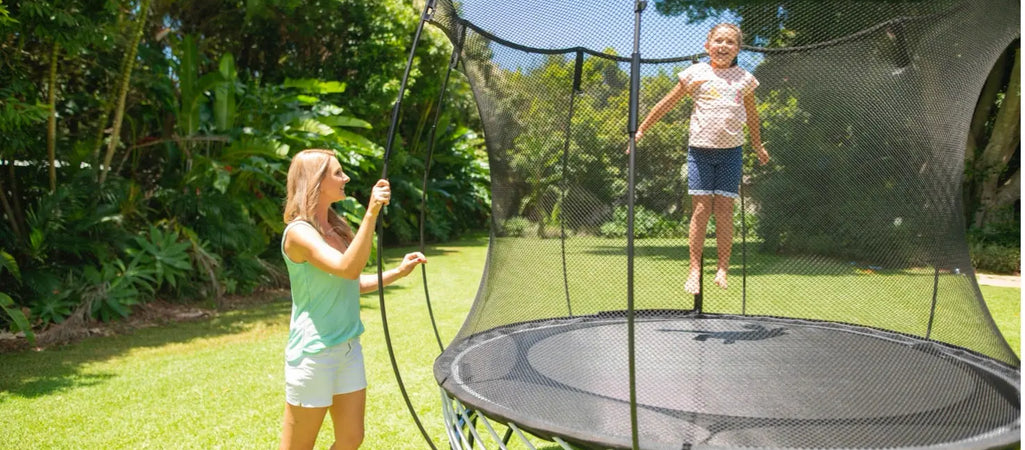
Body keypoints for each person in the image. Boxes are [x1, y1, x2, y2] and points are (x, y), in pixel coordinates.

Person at [279, 148, 427, 450]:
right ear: (315, 182)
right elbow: (347, 269)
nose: (345, 178)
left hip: (348, 349)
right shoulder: (299, 233)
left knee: (351, 438)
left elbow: (351, 283)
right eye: (337, 173)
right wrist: (372, 212)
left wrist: (398, 272)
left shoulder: (335, 228)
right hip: (314, 354)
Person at [634, 23, 769, 295]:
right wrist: (642, 129)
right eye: (718, 40)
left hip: (732, 153)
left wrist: (757, 145)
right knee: (700, 210)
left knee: (724, 210)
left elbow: (752, 116)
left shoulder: (744, 79)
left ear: (738, 49)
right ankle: (694, 269)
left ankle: (722, 268)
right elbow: (667, 103)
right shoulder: (695, 74)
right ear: (707, 45)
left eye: (730, 42)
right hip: (700, 152)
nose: (723, 46)